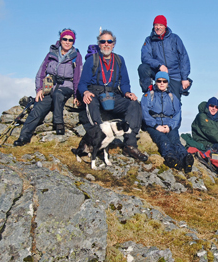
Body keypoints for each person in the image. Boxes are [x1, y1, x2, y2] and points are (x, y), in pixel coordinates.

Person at [78, 29, 148, 162]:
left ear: (113, 44)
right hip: (96, 94)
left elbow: (125, 82)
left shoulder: (119, 60)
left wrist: (127, 93)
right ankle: (97, 143)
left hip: (113, 94)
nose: (106, 44)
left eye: (109, 41)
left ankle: (130, 145)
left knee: (133, 104)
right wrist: (85, 92)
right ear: (99, 44)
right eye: (102, 41)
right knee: (90, 101)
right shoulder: (91, 61)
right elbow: (82, 84)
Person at [14, 28, 82, 146]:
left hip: (66, 86)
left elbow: (78, 77)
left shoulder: (76, 56)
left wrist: (77, 95)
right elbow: (41, 72)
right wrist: (39, 89)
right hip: (50, 87)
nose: (67, 42)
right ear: (60, 40)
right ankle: (23, 137)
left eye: (70, 40)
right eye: (65, 39)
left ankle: (59, 124)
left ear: (73, 42)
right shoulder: (51, 54)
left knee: (58, 94)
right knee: (38, 109)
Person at [141, 71, 194, 172]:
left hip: (169, 124)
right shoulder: (148, 96)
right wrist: (156, 126)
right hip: (153, 125)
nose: (162, 83)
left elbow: (177, 114)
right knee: (163, 140)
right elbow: (145, 113)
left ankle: (186, 159)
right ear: (155, 82)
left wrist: (169, 127)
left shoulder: (173, 97)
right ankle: (171, 158)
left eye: (164, 81)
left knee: (175, 140)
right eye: (159, 81)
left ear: (167, 83)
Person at [138, 15, 191, 101]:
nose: (158, 27)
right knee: (143, 67)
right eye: (156, 25)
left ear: (165, 26)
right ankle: (149, 91)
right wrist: (159, 65)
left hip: (174, 75)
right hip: (158, 72)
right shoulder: (149, 40)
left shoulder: (175, 38)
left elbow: (184, 57)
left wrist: (184, 78)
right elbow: (145, 57)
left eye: (161, 25)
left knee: (175, 102)